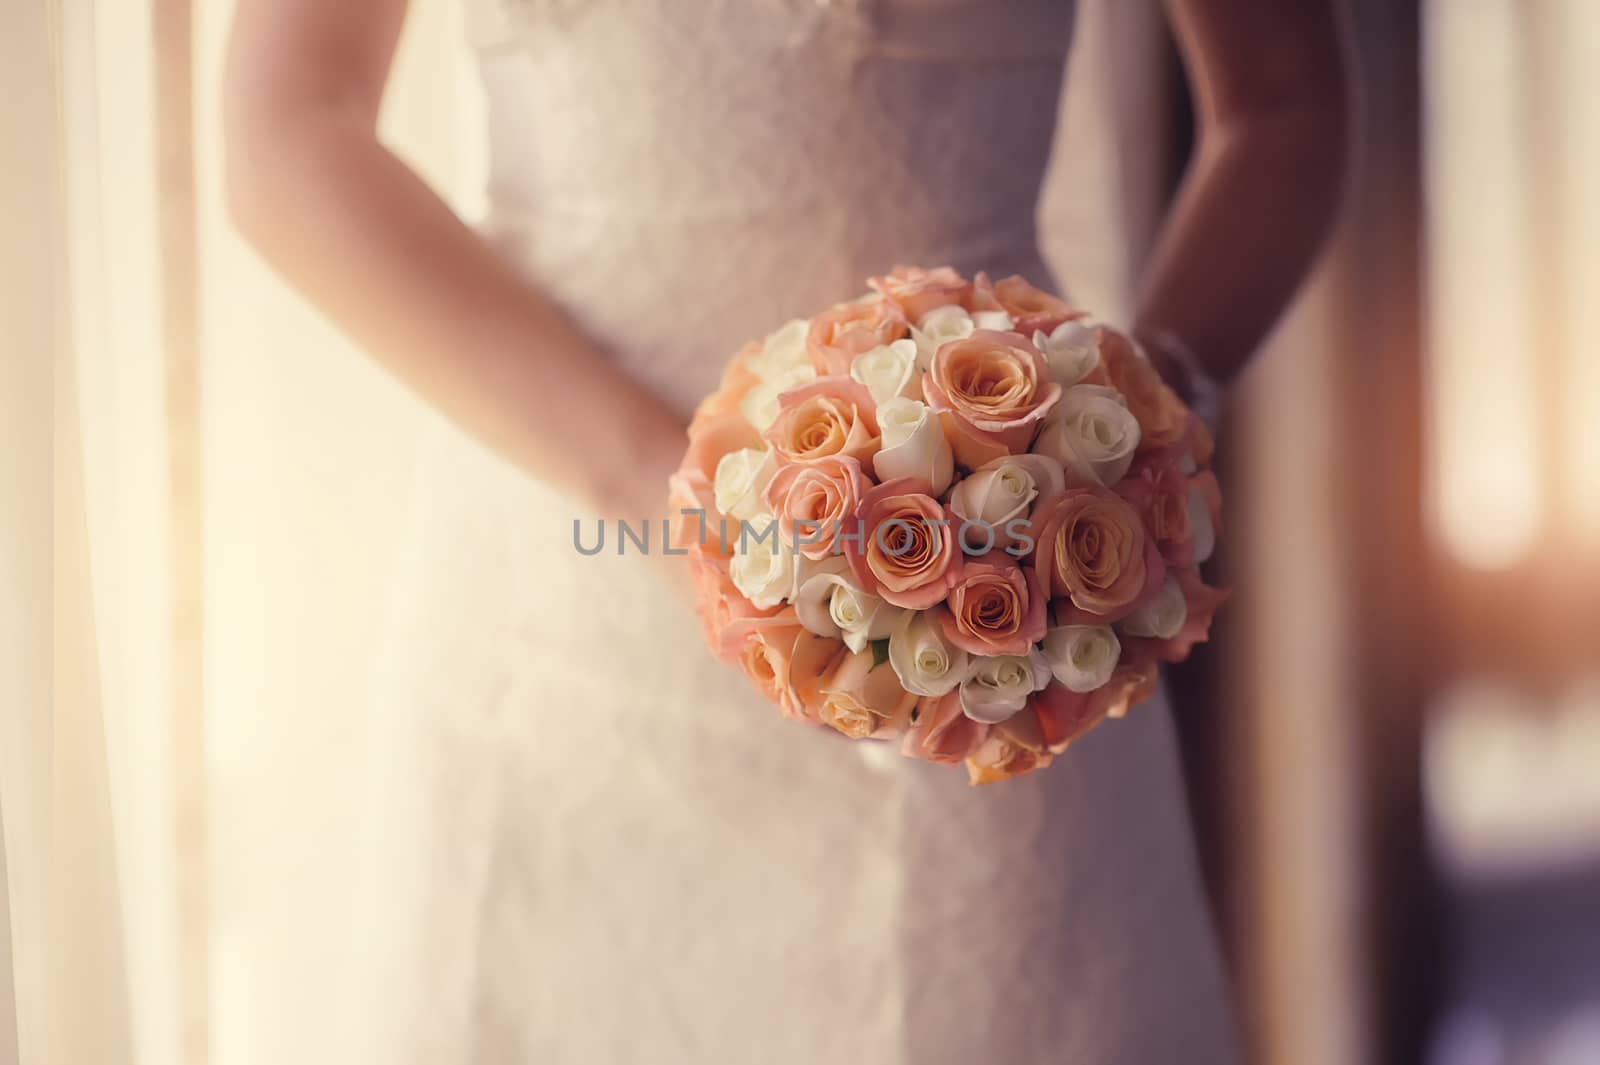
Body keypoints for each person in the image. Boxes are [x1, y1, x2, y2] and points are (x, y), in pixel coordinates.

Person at [223, 1, 1348, 1061]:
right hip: (559, 626)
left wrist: (1137, 428)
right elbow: (288, 131)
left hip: (998, 607)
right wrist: (659, 490)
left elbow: (1281, 106)